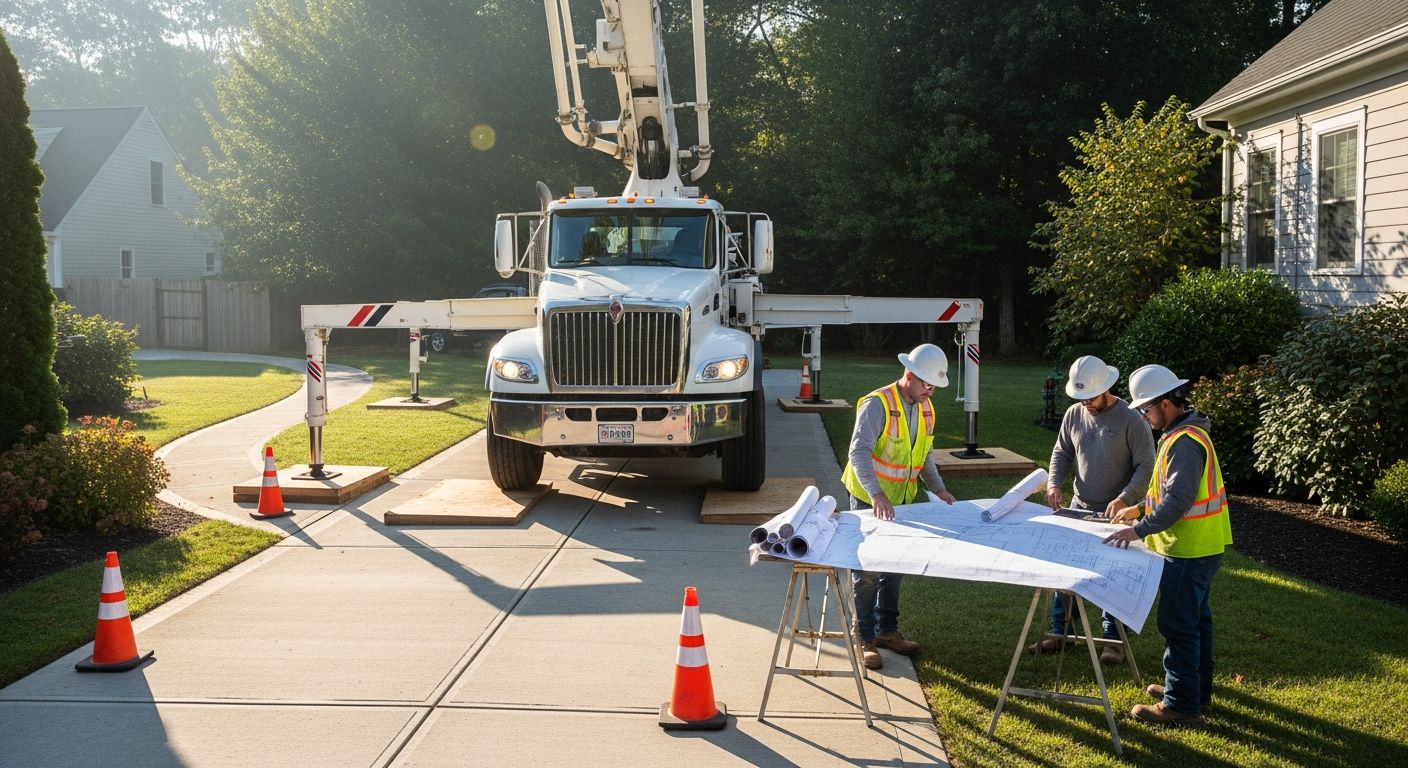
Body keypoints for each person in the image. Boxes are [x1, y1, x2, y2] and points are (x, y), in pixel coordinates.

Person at [1103, 364, 1233, 726]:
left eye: (1145, 409)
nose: (1143, 417)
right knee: (1196, 623)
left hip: (1187, 550)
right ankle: (1194, 692)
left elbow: (1177, 502)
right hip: (1201, 547)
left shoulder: (1185, 443)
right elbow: (1168, 494)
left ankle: (1181, 705)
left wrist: (1138, 529)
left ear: (1164, 404)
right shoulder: (1183, 434)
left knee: (1178, 626)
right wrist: (1138, 507)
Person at [1030, 356, 1155, 663]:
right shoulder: (1074, 414)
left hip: (1118, 516)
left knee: (1113, 575)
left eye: (1091, 396)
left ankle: (1113, 641)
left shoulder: (1131, 419)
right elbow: (1061, 452)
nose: (1085, 402)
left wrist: (1126, 498)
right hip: (1078, 508)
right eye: (1080, 396)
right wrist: (1054, 484)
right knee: (1067, 572)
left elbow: (1146, 465)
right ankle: (1060, 633)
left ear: (1107, 388)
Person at [841, 343, 957, 669]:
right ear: (909, 374)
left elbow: (925, 455)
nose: (930, 390)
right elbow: (858, 452)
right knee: (866, 572)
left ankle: (887, 631)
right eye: (926, 384)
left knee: (895, 569)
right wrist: (876, 494)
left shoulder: (927, 408)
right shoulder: (877, 404)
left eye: (934, 385)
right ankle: (864, 635)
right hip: (868, 499)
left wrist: (940, 489)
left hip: (902, 502)